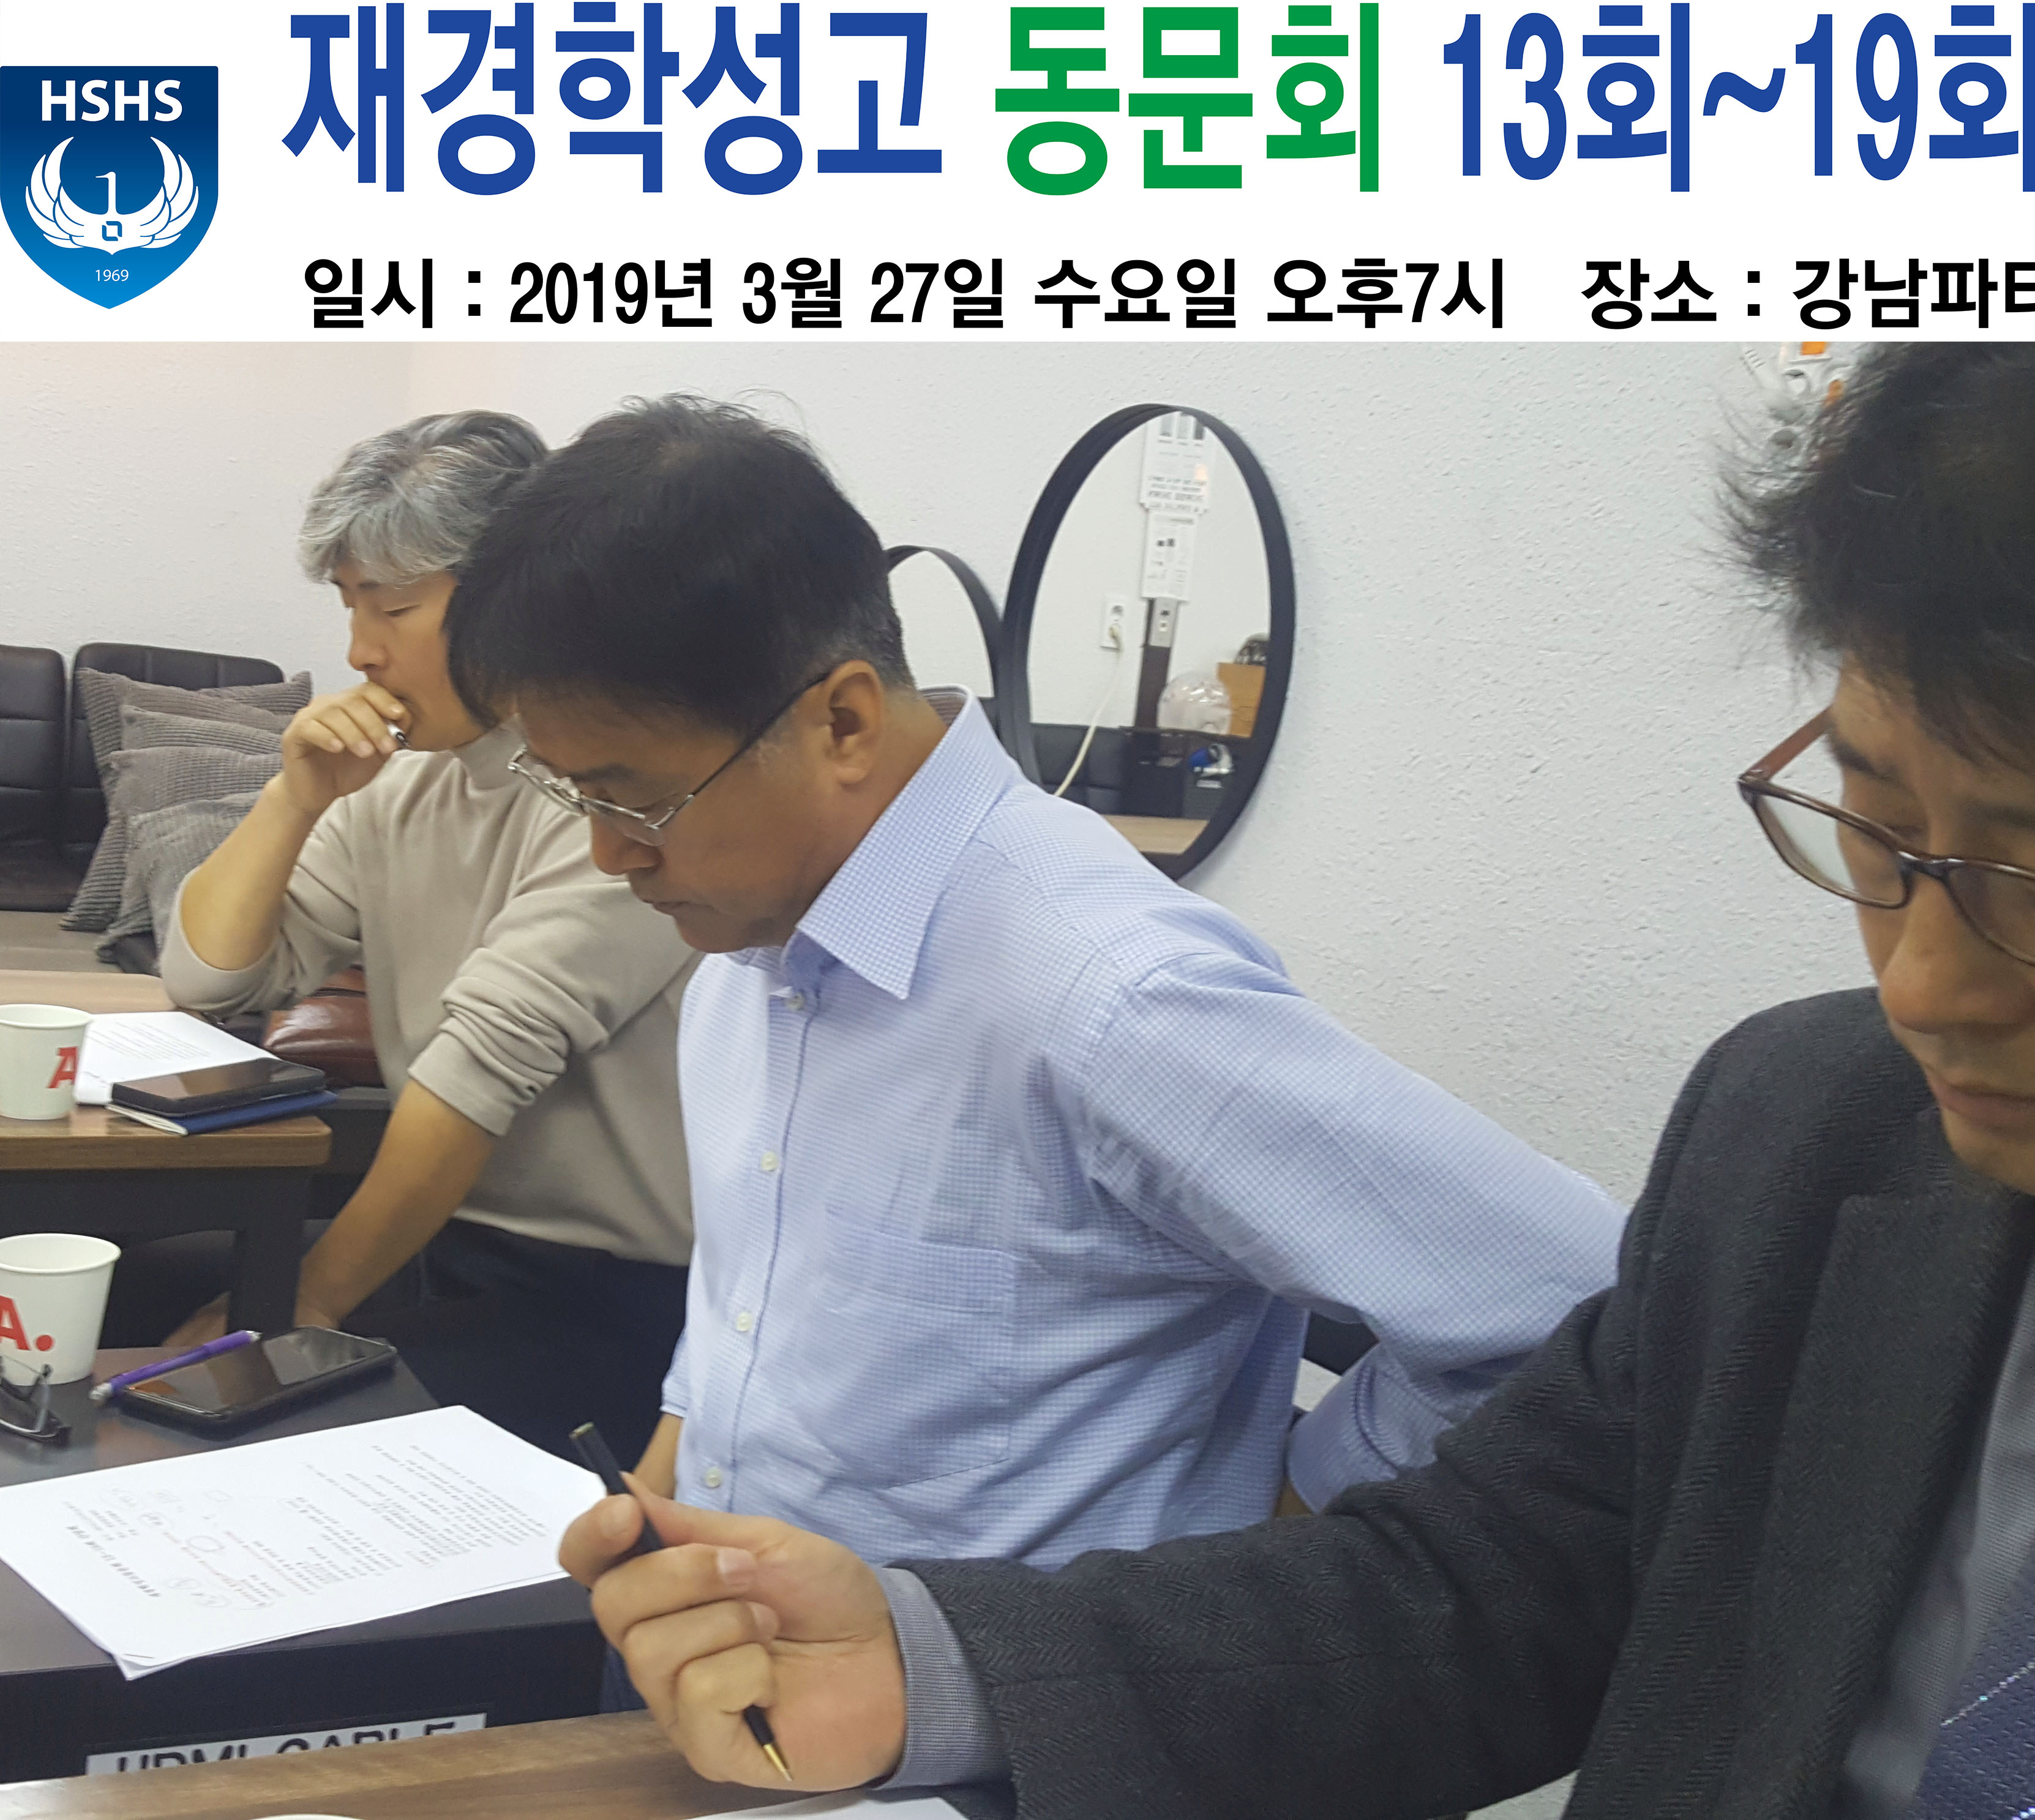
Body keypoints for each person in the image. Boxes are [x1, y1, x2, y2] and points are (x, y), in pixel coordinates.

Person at [561, 343, 2035, 1818]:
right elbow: (1478, 1590)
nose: (1922, 985)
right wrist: (940, 1661)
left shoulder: (1093, 978)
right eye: (1878, 830)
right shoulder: (1809, 1140)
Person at [443, 395, 1624, 1576]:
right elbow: (745, 1329)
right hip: (723, 1646)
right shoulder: (743, 958)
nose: (609, 852)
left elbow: (1582, 1301)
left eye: (635, 797)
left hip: (996, 1691)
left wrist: (1289, 1532)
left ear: (842, 722)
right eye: (573, 795)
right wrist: (653, 1525)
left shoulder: (1112, 998)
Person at [161, 411, 699, 1459]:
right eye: (350, 604)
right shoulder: (396, 784)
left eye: (394, 607)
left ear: (522, 597)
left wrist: (300, 1309)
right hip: (440, 1253)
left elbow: (475, 1076)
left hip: (615, 1303)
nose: (360, 650)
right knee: (133, 1307)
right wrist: (293, 796)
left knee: (247, 1437)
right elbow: (210, 979)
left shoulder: (617, 795)